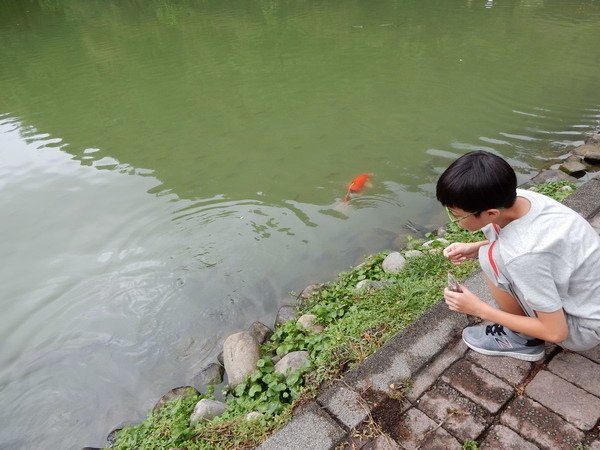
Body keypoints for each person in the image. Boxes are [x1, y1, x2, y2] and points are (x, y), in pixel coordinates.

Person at [436, 150, 600, 361]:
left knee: (490, 257)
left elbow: (556, 333)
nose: (453, 219)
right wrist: (476, 247)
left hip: (584, 328)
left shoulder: (523, 256)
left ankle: (524, 340)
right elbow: (536, 248)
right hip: (590, 300)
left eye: (456, 215)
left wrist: (480, 310)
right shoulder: (522, 200)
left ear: (492, 213)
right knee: (489, 250)